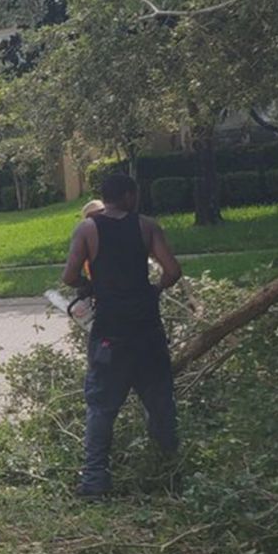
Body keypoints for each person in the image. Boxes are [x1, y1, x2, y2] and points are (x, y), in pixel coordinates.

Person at [61, 174, 183, 498]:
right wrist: (154, 290)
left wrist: (92, 287)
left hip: (109, 334)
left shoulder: (87, 229)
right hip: (147, 331)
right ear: (129, 196)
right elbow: (172, 270)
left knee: (101, 407)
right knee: (160, 402)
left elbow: (69, 275)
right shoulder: (146, 227)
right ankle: (169, 469)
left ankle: (94, 481)